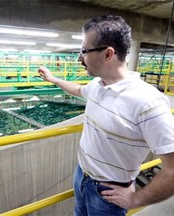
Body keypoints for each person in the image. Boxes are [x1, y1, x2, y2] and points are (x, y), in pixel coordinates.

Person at [38, 15, 174, 216]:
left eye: (84, 51)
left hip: (109, 194)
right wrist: (53, 79)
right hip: (81, 177)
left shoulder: (148, 103)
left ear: (108, 54)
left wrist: (135, 199)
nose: (79, 58)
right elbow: (77, 90)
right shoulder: (97, 85)